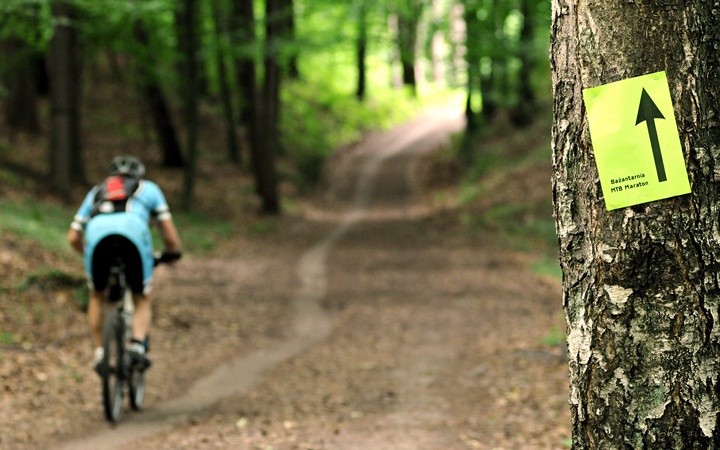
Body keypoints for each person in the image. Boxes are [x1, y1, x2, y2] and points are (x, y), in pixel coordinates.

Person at [67, 155, 181, 372]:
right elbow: (170, 236)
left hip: (97, 237)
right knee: (142, 296)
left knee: (97, 294)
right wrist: (172, 252)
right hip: (133, 235)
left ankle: (100, 351)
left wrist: (88, 253)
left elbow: (73, 237)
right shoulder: (149, 189)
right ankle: (137, 344)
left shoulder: (96, 192)